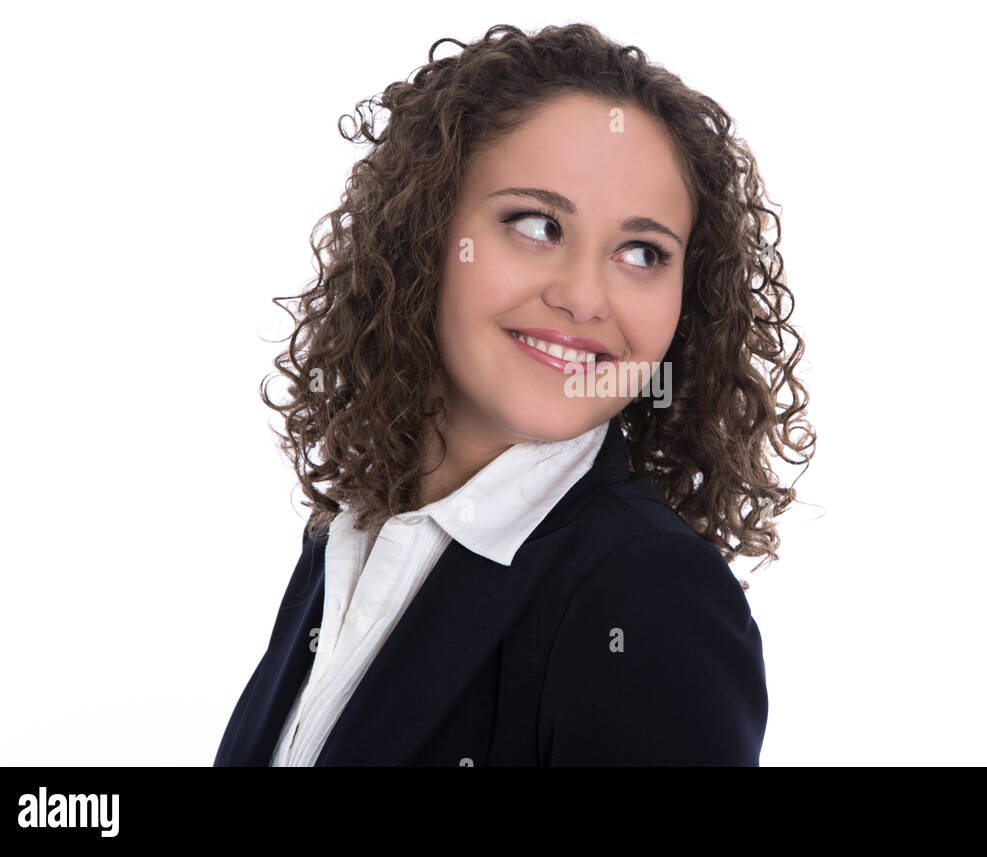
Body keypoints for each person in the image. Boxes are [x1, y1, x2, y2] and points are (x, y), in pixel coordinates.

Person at [213, 22, 813, 767]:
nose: (585, 298)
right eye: (537, 224)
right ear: (424, 231)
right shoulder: (347, 542)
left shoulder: (648, 593)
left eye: (642, 252)